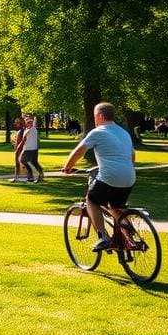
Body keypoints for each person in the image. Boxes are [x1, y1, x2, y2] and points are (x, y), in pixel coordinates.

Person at [62, 102, 136, 251]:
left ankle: (103, 237)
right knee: (116, 207)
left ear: (100, 116)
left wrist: (67, 168)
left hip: (110, 176)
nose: (95, 120)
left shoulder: (98, 131)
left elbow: (78, 152)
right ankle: (130, 238)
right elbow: (132, 155)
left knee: (92, 199)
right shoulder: (123, 133)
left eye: (95, 117)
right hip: (129, 177)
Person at [18, 115, 45, 182]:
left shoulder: (29, 130)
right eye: (28, 123)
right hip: (34, 149)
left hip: (28, 149)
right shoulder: (34, 129)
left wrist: (18, 148)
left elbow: (23, 140)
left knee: (22, 160)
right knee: (34, 162)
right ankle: (38, 175)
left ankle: (32, 175)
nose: (28, 124)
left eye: (29, 123)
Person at [10, 117, 25, 182]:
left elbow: (18, 142)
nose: (15, 124)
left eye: (16, 123)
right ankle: (17, 177)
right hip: (22, 149)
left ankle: (16, 177)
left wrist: (16, 149)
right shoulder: (23, 131)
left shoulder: (20, 132)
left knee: (17, 163)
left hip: (19, 150)